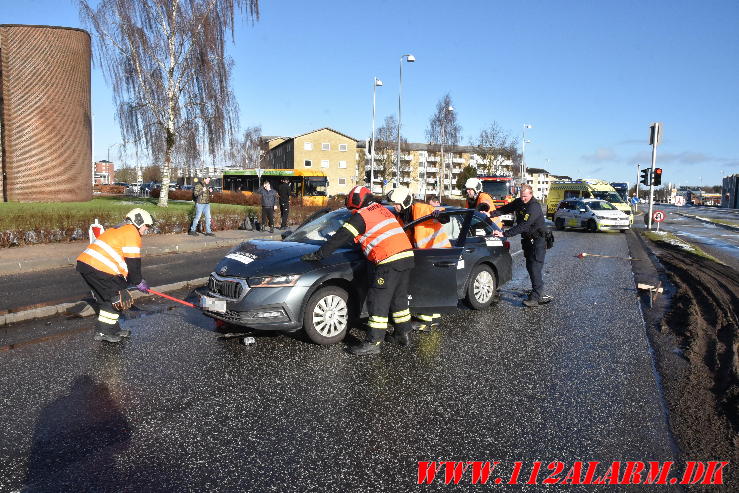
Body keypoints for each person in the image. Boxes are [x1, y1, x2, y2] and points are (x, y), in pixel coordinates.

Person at [301, 186, 415, 355]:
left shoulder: (362, 216)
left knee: (378, 300)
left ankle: (373, 342)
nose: (352, 212)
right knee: (399, 299)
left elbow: (341, 236)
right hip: (406, 256)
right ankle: (402, 334)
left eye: (352, 209)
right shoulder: (382, 210)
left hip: (388, 259)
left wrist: (319, 254)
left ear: (356, 203)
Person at [76, 208, 153, 342]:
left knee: (106, 300)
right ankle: (103, 333)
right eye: (147, 225)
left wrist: (130, 281)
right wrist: (138, 281)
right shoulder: (131, 233)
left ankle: (112, 330)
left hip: (87, 266)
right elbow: (133, 262)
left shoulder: (119, 229)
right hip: (101, 268)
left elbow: (123, 263)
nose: (147, 229)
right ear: (139, 221)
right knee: (118, 300)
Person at [386, 188, 451, 332]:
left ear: (405, 201)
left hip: (438, 252)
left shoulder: (421, 209)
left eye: (397, 204)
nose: (395, 207)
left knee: (429, 286)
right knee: (426, 285)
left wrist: (438, 214)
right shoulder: (401, 217)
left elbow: (445, 216)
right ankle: (431, 319)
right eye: (394, 204)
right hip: (423, 254)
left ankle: (427, 321)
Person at [490, 184, 551, 307]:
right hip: (528, 240)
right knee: (530, 266)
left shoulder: (534, 207)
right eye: (521, 196)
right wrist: (491, 214)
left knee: (535, 267)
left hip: (538, 240)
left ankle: (535, 297)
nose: (523, 199)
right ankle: (537, 292)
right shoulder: (519, 202)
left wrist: (505, 233)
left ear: (531, 194)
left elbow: (524, 225)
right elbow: (506, 208)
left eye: (525, 196)